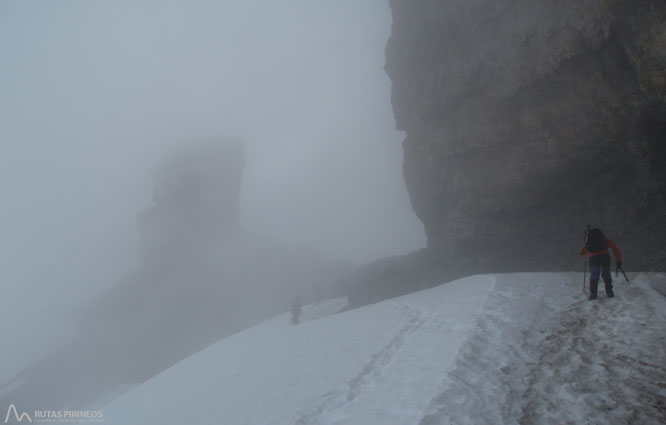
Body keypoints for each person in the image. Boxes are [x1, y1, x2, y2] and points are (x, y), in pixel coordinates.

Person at [579, 227, 622, 300]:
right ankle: (609, 293)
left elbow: (581, 252)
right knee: (606, 274)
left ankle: (593, 294)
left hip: (594, 258)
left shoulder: (589, 241)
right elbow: (615, 248)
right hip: (605, 257)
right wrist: (618, 261)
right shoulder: (604, 240)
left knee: (594, 276)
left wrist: (586, 247)